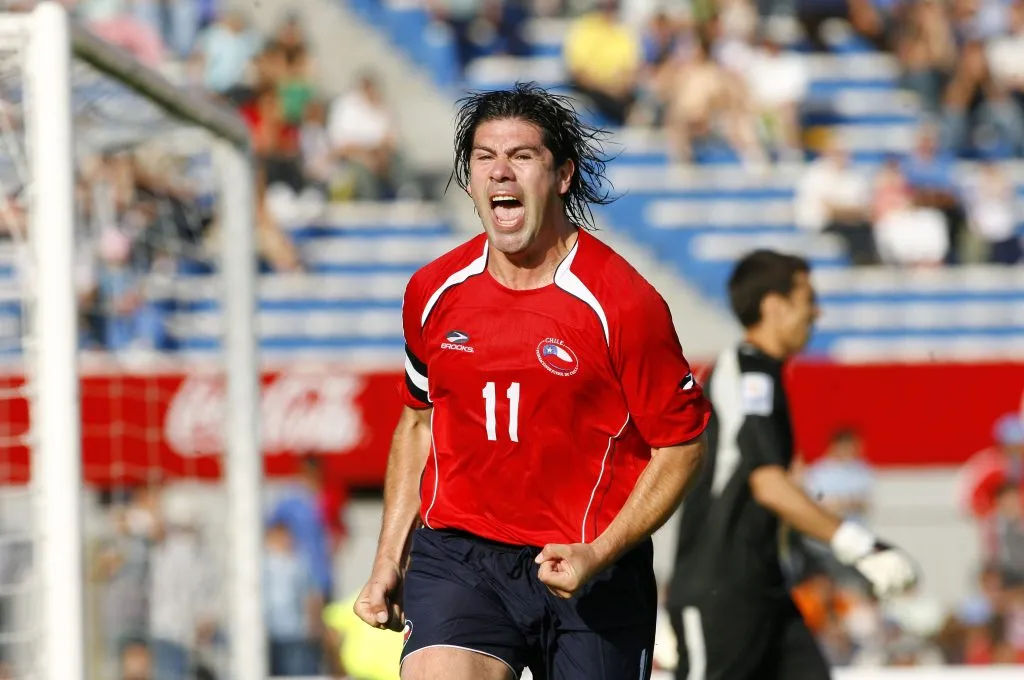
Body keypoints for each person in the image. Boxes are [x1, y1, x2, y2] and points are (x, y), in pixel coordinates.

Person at [353, 82, 711, 680]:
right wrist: (389, 558)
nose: (501, 173)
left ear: (562, 175)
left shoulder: (622, 303)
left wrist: (596, 553)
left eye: (522, 157)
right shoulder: (432, 292)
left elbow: (680, 447)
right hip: (460, 556)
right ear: (469, 181)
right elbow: (419, 422)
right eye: (485, 158)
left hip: (590, 568)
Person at [665, 250, 918, 680]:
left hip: (766, 590)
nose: (816, 311)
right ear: (774, 305)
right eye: (808, 298)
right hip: (722, 592)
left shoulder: (763, 374)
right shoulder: (747, 373)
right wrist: (858, 544)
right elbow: (768, 484)